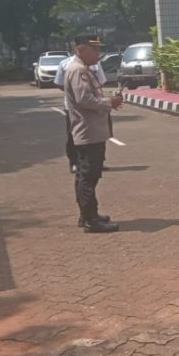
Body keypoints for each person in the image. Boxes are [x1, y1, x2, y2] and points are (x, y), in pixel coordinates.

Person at [63, 34, 123, 233]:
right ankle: (91, 220)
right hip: (88, 132)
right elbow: (84, 100)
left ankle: (87, 215)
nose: (98, 53)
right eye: (94, 49)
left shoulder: (82, 69)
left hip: (91, 131)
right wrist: (109, 102)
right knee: (88, 176)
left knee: (87, 175)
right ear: (80, 49)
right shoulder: (78, 70)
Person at [55, 51, 107, 174]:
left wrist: (91, 89)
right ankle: (75, 162)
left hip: (95, 105)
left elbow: (102, 81)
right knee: (74, 135)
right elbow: (60, 83)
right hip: (73, 107)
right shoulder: (66, 64)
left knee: (98, 134)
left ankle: (98, 161)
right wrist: (74, 90)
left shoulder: (95, 64)